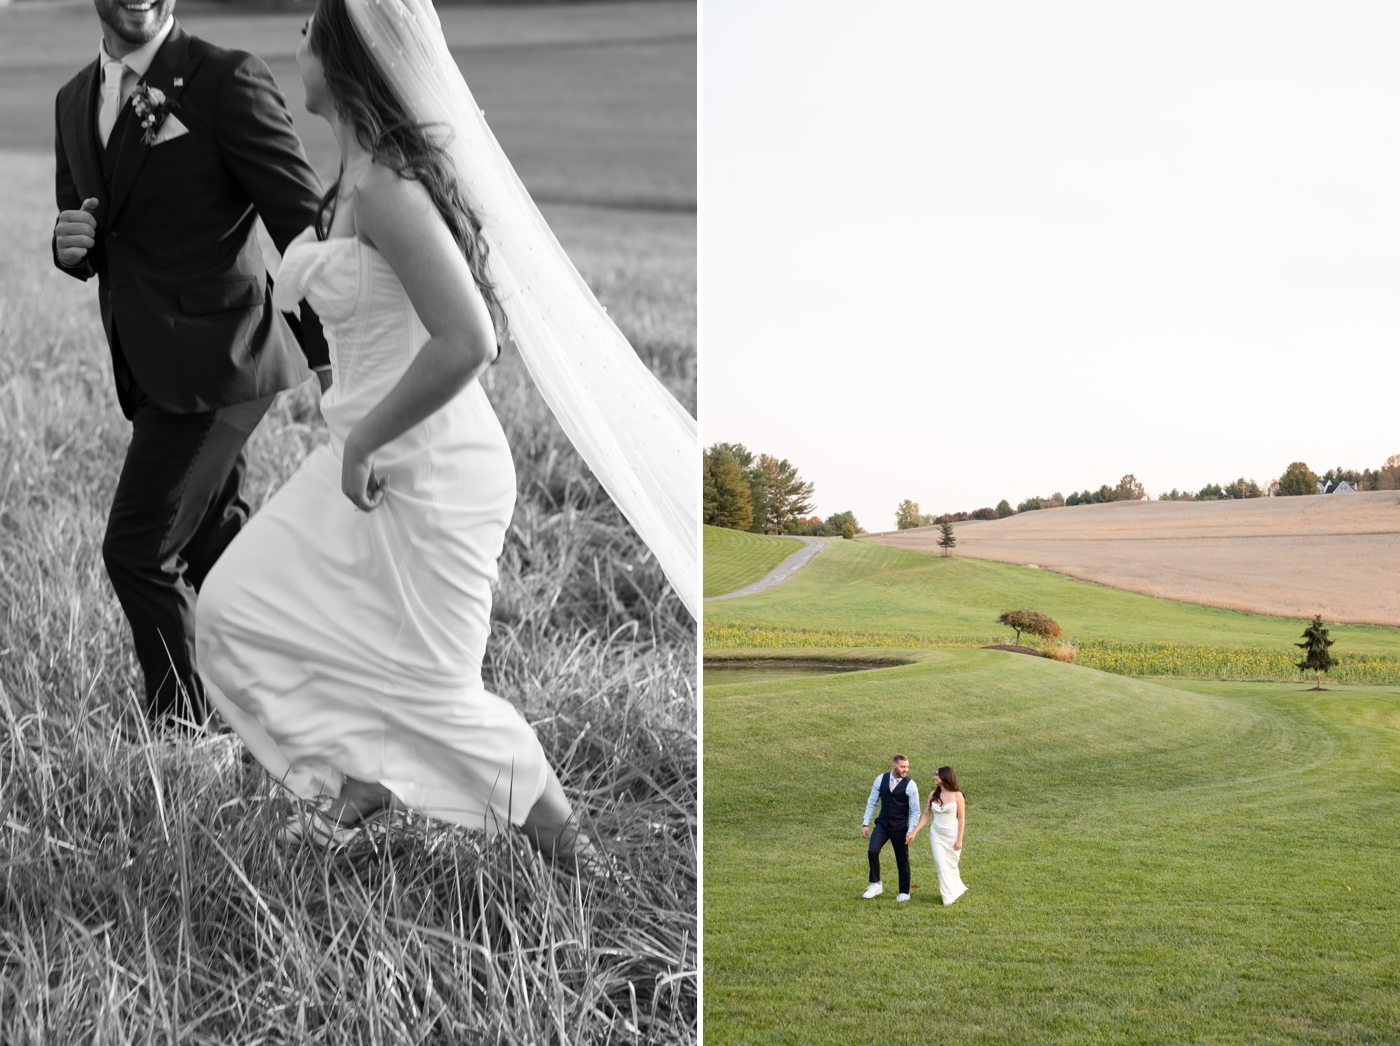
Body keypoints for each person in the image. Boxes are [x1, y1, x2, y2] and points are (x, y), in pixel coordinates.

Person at [195, 0, 697, 857]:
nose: (298, 41)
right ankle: (361, 777)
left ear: (349, 60)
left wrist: (361, 439)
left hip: (428, 466)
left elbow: (470, 338)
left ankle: (577, 858)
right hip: (369, 456)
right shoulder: (351, 181)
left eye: (312, 29)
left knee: (433, 693)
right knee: (235, 608)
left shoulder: (387, 188)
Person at [50, 0, 331, 728]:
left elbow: (302, 226)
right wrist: (68, 247)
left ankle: (183, 731)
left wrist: (337, 362)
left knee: (138, 550)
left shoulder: (225, 78)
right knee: (216, 554)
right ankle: (291, 695)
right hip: (145, 367)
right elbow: (88, 222)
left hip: (223, 362)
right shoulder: (71, 100)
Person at [861, 755, 919, 901]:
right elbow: (872, 801)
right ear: (894, 766)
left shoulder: (910, 785)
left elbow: (915, 810)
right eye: (902, 767)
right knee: (872, 850)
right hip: (883, 824)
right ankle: (876, 883)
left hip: (900, 827)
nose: (906, 769)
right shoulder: (881, 779)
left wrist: (911, 830)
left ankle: (904, 892)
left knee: (902, 859)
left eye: (907, 766)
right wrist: (865, 823)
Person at [911, 765, 968, 905]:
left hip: (952, 835)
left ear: (945, 777)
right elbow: (926, 815)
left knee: (951, 865)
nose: (934, 777)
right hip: (936, 835)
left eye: (937, 775)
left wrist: (959, 839)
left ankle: (956, 889)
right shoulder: (933, 795)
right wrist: (914, 832)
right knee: (941, 866)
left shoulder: (957, 795)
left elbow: (961, 819)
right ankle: (947, 898)